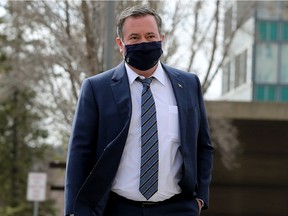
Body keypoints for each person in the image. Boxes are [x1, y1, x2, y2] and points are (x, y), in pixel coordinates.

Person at [65, 4, 213, 216]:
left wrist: (200, 198)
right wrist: (72, 211)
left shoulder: (188, 84)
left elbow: (203, 145)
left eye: (150, 35)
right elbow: (80, 153)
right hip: (116, 209)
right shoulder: (97, 88)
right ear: (120, 43)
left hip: (177, 208)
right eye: (134, 37)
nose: (144, 43)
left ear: (162, 38)